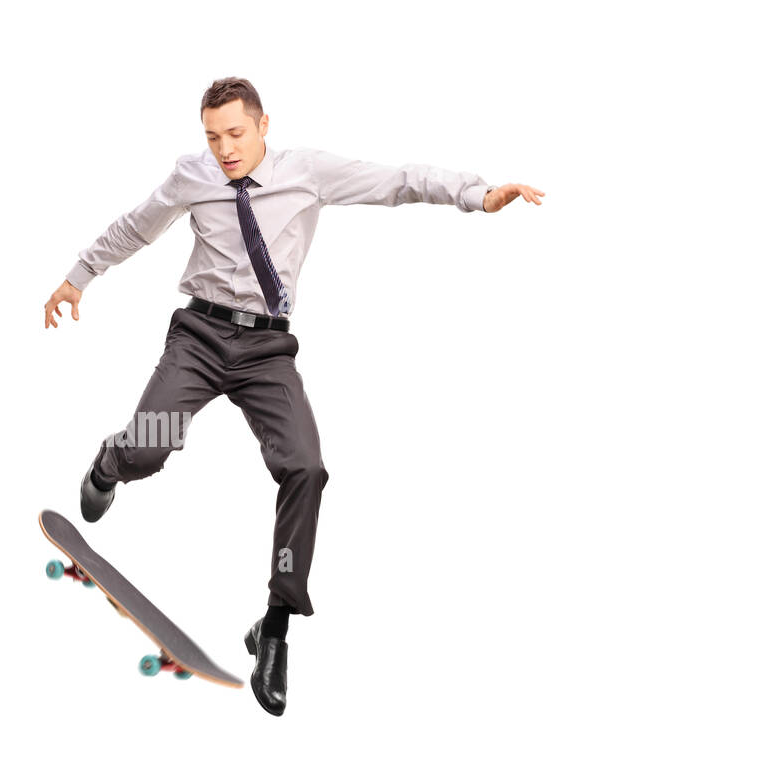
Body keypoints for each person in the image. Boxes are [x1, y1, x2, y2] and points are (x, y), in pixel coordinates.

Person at [43, 77, 544, 716]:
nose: (225, 149)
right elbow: (136, 227)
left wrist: (478, 193)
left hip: (267, 352)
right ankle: (109, 464)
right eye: (212, 136)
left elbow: (399, 181)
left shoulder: (306, 172)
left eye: (236, 134)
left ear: (262, 125)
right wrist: (76, 278)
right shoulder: (192, 175)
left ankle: (274, 627)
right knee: (150, 449)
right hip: (199, 335)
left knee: (306, 467)